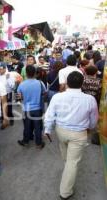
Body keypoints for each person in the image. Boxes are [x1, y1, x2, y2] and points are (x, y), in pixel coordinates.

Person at [44, 71, 98, 200]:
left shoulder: (57, 97)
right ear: (82, 83)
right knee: (72, 162)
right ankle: (65, 192)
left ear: (67, 83)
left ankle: (67, 173)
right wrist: (90, 128)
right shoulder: (90, 100)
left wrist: (47, 129)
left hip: (61, 131)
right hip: (79, 134)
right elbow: (93, 120)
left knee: (66, 156)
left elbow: (50, 115)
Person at [17, 65, 46, 149]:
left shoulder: (21, 85)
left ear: (26, 73)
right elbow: (44, 93)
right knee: (38, 127)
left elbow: (18, 97)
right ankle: (39, 143)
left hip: (26, 109)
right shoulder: (40, 83)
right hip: (37, 109)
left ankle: (25, 141)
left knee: (27, 126)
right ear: (35, 73)